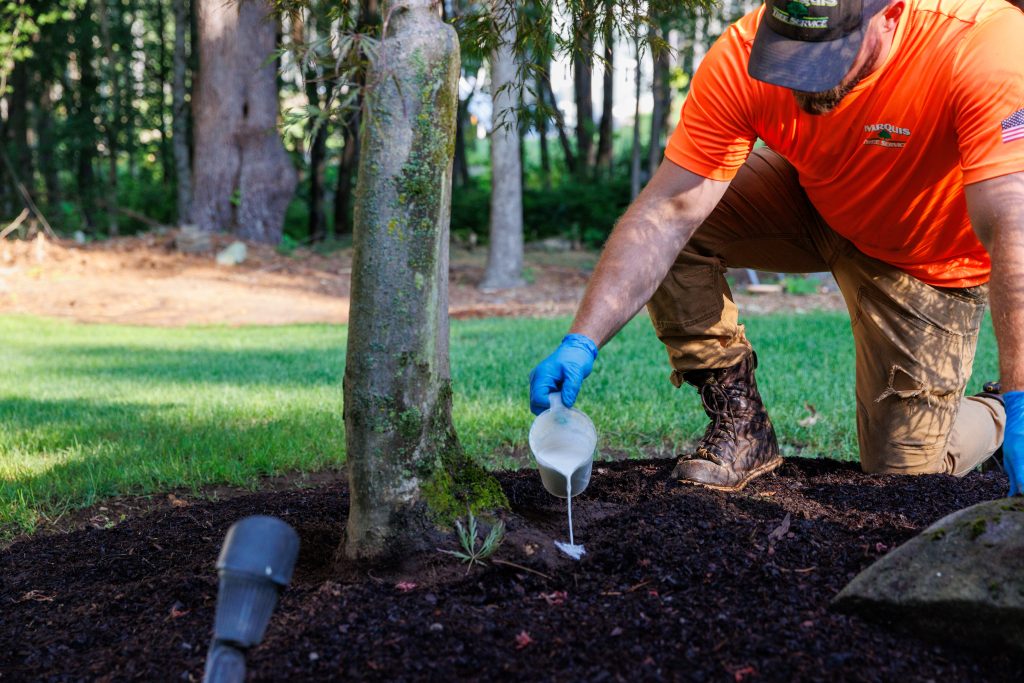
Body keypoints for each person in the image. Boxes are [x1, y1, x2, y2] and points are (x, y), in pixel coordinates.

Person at [528, 0, 1024, 494]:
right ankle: (743, 428)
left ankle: (997, 411)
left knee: (905, 475)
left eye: (827, 52)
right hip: (819, 198)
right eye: (791, 50)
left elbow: (1012, 223)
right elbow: (667, 214)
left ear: (889, 15)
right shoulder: (740, 55)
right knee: (682, 226)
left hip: (926, 257)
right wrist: (582, 340)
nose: (803, 75)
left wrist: (1022, 394)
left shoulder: (980, 43)